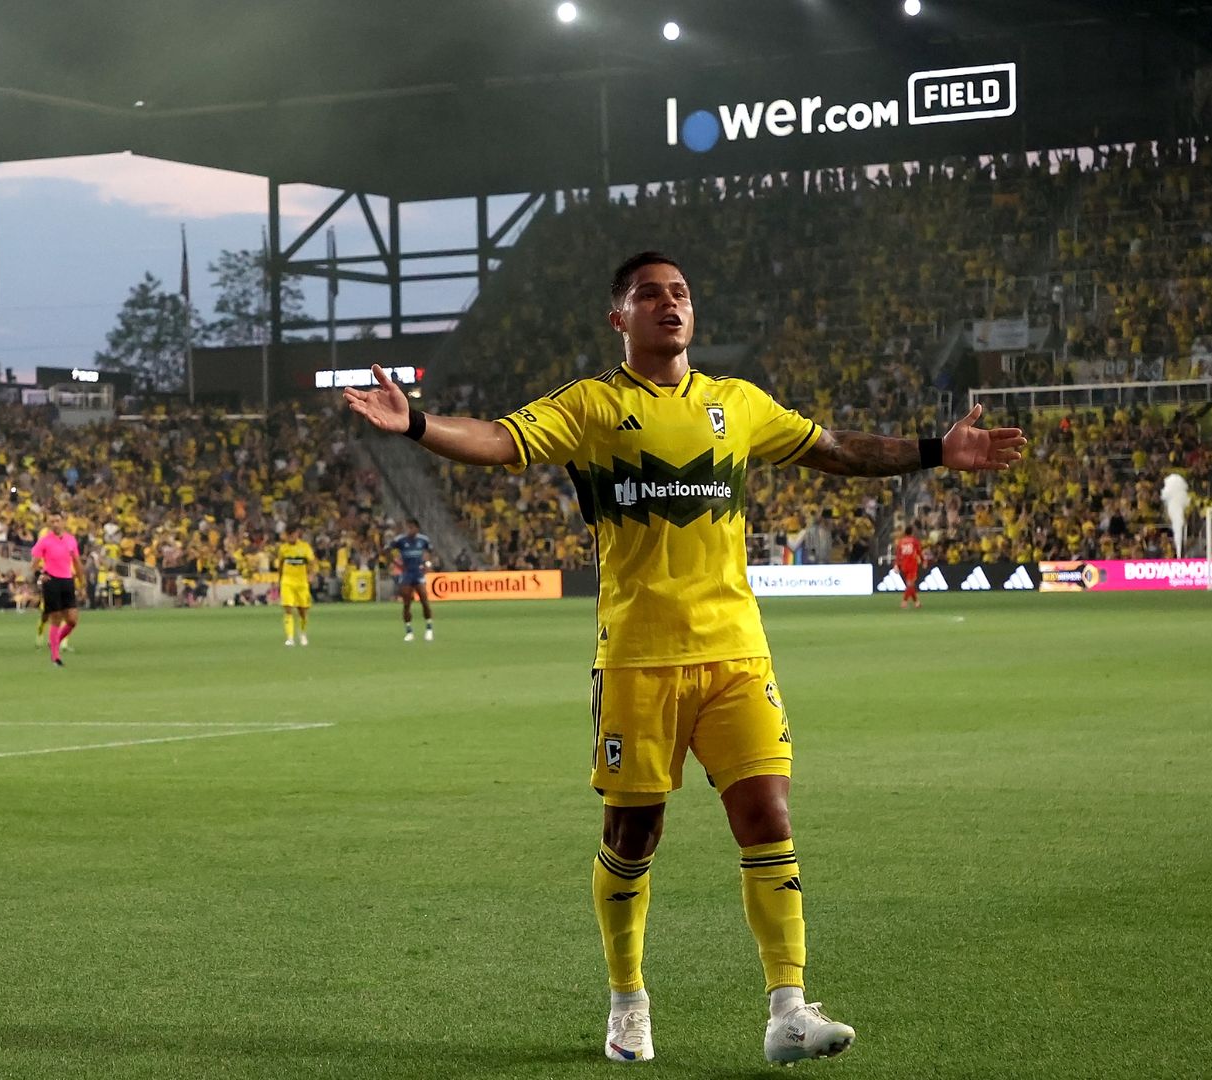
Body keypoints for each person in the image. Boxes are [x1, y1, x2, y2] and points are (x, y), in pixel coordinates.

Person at [343, 251, 1025, 1066]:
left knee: (767, 814)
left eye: (681, 293)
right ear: (618, 318)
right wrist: (417, 423)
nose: (670, 303)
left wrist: (934, 451)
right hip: (637, 658)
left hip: (736, 650)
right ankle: (628, 998)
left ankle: (788, 1008)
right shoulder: (592, 407)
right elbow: (496, 439)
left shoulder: (736, 405)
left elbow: (836, 449)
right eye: (649, 294)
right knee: (634, 833)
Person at [32, 512, 83, 667]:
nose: (55, 524)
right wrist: (40, 575)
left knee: (72, 619)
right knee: (56, 618)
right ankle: (56, 657)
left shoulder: (70, 540)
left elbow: (77, 562)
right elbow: (34, 563)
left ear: (63, 522)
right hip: (52, 581)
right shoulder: (44, 541)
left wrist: (82, 582)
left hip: (67, 581)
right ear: (48, 524)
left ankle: (54, 641)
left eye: (57, 521)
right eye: (52, 521)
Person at [388, 518, 437, 641]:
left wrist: (427, 564)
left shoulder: (423, 540)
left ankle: (429, 628)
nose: (409, 530)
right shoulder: (400, 540)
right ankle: (409, 631)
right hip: (407, 573)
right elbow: (386, 550)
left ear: (417, 528)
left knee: (424, 600)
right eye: (408, 528)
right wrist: (396, 564)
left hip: (418, 573)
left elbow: (430, 551)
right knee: (406, 603)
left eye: (411, 528)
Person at [277, 525, 317, 646]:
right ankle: (290, 637)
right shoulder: (283, 548)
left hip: (301, 582)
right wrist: (279, 580)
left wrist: (312, 575)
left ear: (297, 533)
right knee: (288, 608)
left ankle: (303, 634)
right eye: (288, 535)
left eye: (293, 534)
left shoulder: (305, 547)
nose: (291, 537)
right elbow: (280, 565)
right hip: (287, 582)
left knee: (302, 610)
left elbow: (312, 563)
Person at [894, 526, 924, 610]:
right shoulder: (914, 541)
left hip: (904, 565)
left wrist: (896, 565)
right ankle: (904, 602)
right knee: (910, 585)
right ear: (912, 532)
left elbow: (898, 555)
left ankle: (917, 603)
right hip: (912, 565)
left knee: (911, 585)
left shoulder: (901, 542)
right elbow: (919, 552)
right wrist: (923, 560)